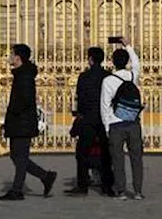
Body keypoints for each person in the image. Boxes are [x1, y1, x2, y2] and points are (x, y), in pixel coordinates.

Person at [0, 43, 57, 201]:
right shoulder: (22, 73)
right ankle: (45, 176)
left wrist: (13, 111)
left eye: (11, 54)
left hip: (21, 122)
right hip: (20, 122)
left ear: (18, 58)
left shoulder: (24, 75)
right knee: (18, 156)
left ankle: (17, 190)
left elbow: (25, 99)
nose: (9, 57)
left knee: (19, 157)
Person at [65, 46, 115, 197]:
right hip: (104, 118)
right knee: (106, 153)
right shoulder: (108, 75)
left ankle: (82, 185)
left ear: (90, 59)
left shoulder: (84, 76)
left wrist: (80, 113)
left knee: (82, 153)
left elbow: (80, 97)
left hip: (88, 118)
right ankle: (107, 185)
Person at [100, 38, 143, 201]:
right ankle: (138, 191)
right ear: (126, 62)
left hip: (115, 123)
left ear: (112, 62)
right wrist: (128, 45)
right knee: (136, 158)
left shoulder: (108, 81)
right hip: (133, 121)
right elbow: (137, 62)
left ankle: (121, 191)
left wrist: (106, 127)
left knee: (117, 159)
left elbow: (104, 106)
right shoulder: (132, 75)